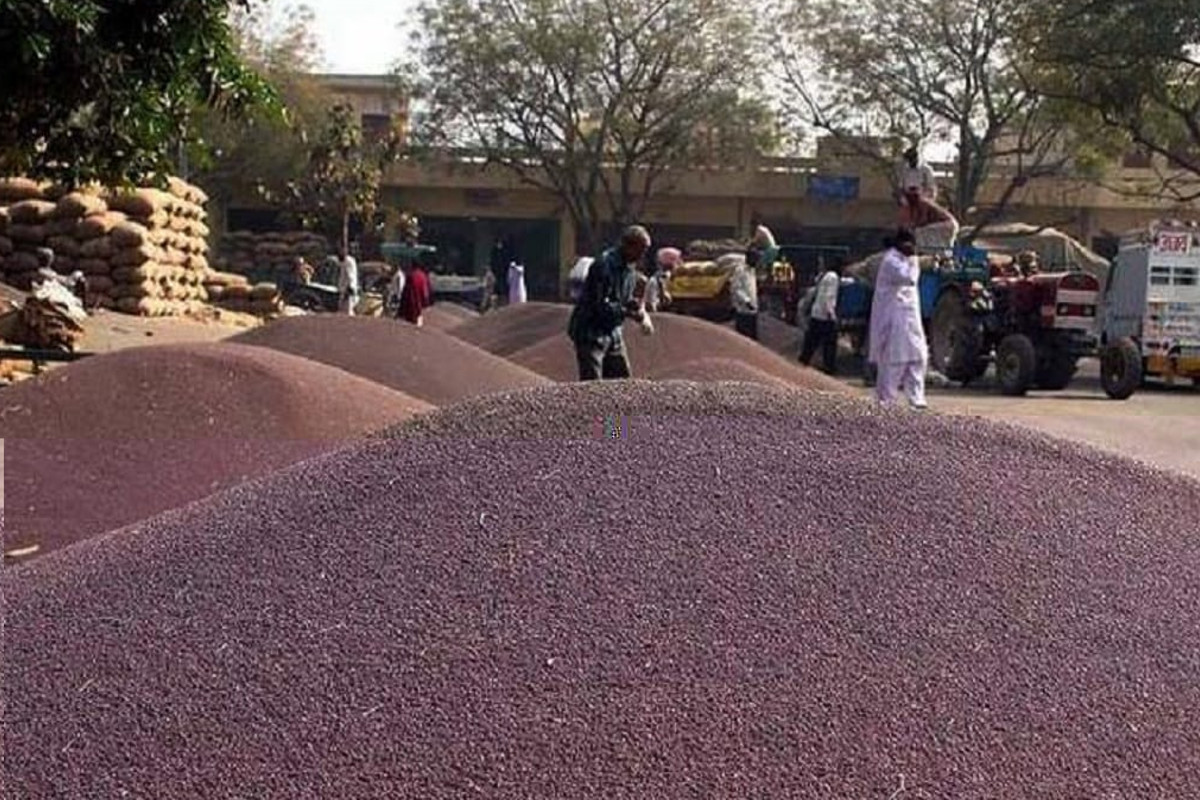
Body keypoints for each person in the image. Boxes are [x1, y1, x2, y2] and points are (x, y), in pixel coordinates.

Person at [567, 225, 655, 381]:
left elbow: (621, 298)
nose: (642, 256)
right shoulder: (604, 266)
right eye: (640, 250)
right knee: (592, 383)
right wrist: (628, 312)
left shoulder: (629, 269)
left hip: (613, 333)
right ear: (628, 246)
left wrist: (633, 304)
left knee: (622, 382)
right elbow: (600, 306)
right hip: (591, 333)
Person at [868, 228, 929, 409]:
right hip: (894, 318)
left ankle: (916, 399)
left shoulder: (905, 259)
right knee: (894, 359)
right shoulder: (891, 261)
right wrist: (915, 260)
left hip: (910, 317)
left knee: (918, 357)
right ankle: (886, 401)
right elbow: (909, 278)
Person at [799, 258, 842, 374]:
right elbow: (829, 297)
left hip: (817, 312)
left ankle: (804, 359)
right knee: (829, 343)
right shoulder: (834, 278)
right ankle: (829, 366)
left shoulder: (826, 276)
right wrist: (832, 315)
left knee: (812, 339)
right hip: (825, 315)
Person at [898, 188, 960, 256]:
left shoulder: (923, 203)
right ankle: (941, 255)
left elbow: (923, 220)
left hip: (947, 225)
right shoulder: (914, 206)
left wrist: (913, 226)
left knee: (919, 233)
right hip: (947, 225)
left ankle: (932, 254)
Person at [731, 251, 759, 341]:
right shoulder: (740, 271)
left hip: (753, 310)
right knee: (743, 338)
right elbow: (736, 289)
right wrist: (747, 301)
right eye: (755, 259)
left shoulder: (752, 270)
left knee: (752, 338)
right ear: (749, 258)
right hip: (743, 310)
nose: (756, 262)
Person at [399, 258, 431, 327]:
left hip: (409, 306)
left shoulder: (410, 276)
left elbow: (405, 293)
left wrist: (401, 309)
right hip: (419, 307)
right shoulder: (423, 276)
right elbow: (425, 292)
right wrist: (426, 303)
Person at [336, 245, 359, 316]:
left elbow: (351, 275)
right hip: (343, 289)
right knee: (342, 309)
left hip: (348, 290)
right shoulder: (343, 261)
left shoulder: (349, 261)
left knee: (348, 310)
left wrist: (350, 287)